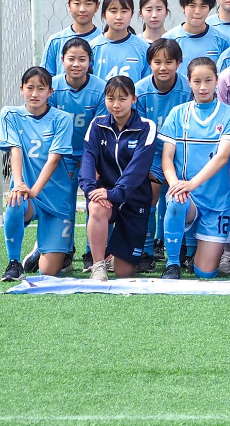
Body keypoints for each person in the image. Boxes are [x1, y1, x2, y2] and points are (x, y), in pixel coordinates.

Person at [159, 56, 230, 280]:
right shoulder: (178, 113)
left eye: (208, 80)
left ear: (217, 81)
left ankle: (194, 253)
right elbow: (167, 157)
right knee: (176, 200)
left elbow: (223, 156)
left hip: (216, 203)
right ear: (189, 82)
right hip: (188, 197)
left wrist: (193, 182)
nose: (203, 87)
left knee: (205, 273)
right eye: (197, 81)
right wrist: (176, 184)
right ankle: (172, 263)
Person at [0, 67, 76, 282]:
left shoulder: (61, 119)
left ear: (50, 92)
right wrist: (19, 184)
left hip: (55, 199)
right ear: (21, 89)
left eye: (41, 89)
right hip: (26, 194)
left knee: (48, 273)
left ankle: (38, 250)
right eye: (30, 88)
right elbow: (15, 150)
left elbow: (54, 159)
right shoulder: (10, 114)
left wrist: (34, 190)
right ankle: (14, 263)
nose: (35, 93)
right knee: (15, 201)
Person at [79, 75, 158, 280]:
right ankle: (98, 265)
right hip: (105, 196)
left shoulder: (146, 126)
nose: (116, 105)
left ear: (134, 99)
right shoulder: (97, 125)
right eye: (110, 98)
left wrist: (114, 193)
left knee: (124, 272)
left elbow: (138, 169)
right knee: (95, 205)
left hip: (134, 198)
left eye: (122, 99)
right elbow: (87, 160)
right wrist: (90, 191)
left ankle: (114, 256)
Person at [44, 36, 107, 272]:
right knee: (64, 204)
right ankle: (64, 249)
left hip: (92, 154)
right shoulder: (52, 86)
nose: (76, 64)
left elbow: (100, 127)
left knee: (96, 201)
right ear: (62, 60)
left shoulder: (101, 88)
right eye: (71, 59)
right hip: (61, 155)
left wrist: (94, 161)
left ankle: (94, 252)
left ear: (90, 61)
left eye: (82, 59)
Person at [134, 38, 189, 268]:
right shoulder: (140, 91)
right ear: (150, 63)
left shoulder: (188, 89)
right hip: (152, 154)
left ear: (178, 63)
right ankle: (146, 250)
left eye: (169, 61)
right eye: (157, 62)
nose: (163, 67)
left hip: (181, 153)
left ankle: (182, 248)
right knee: (150, 194)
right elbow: (135, 130)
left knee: (178, 196)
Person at [166, 0, 230, 65]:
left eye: (203, 6)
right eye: (192, 5)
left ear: (210, 8)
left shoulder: (222, 40)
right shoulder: (169, 39)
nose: (197, 12)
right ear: (183, 7)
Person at [42, 0, 102, 75]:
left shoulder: (103, 41)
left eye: (88, 4)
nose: (82, 9)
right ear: (69, 5)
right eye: (77, 3)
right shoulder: (56, 41)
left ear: (97, 6)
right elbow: (46, 79)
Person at [92, 0, 149, 81]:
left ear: (132, 14)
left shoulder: (143, 48)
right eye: (113, 11)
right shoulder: (93, 47)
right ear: (104, 14)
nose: (119, 16)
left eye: (124, 11)